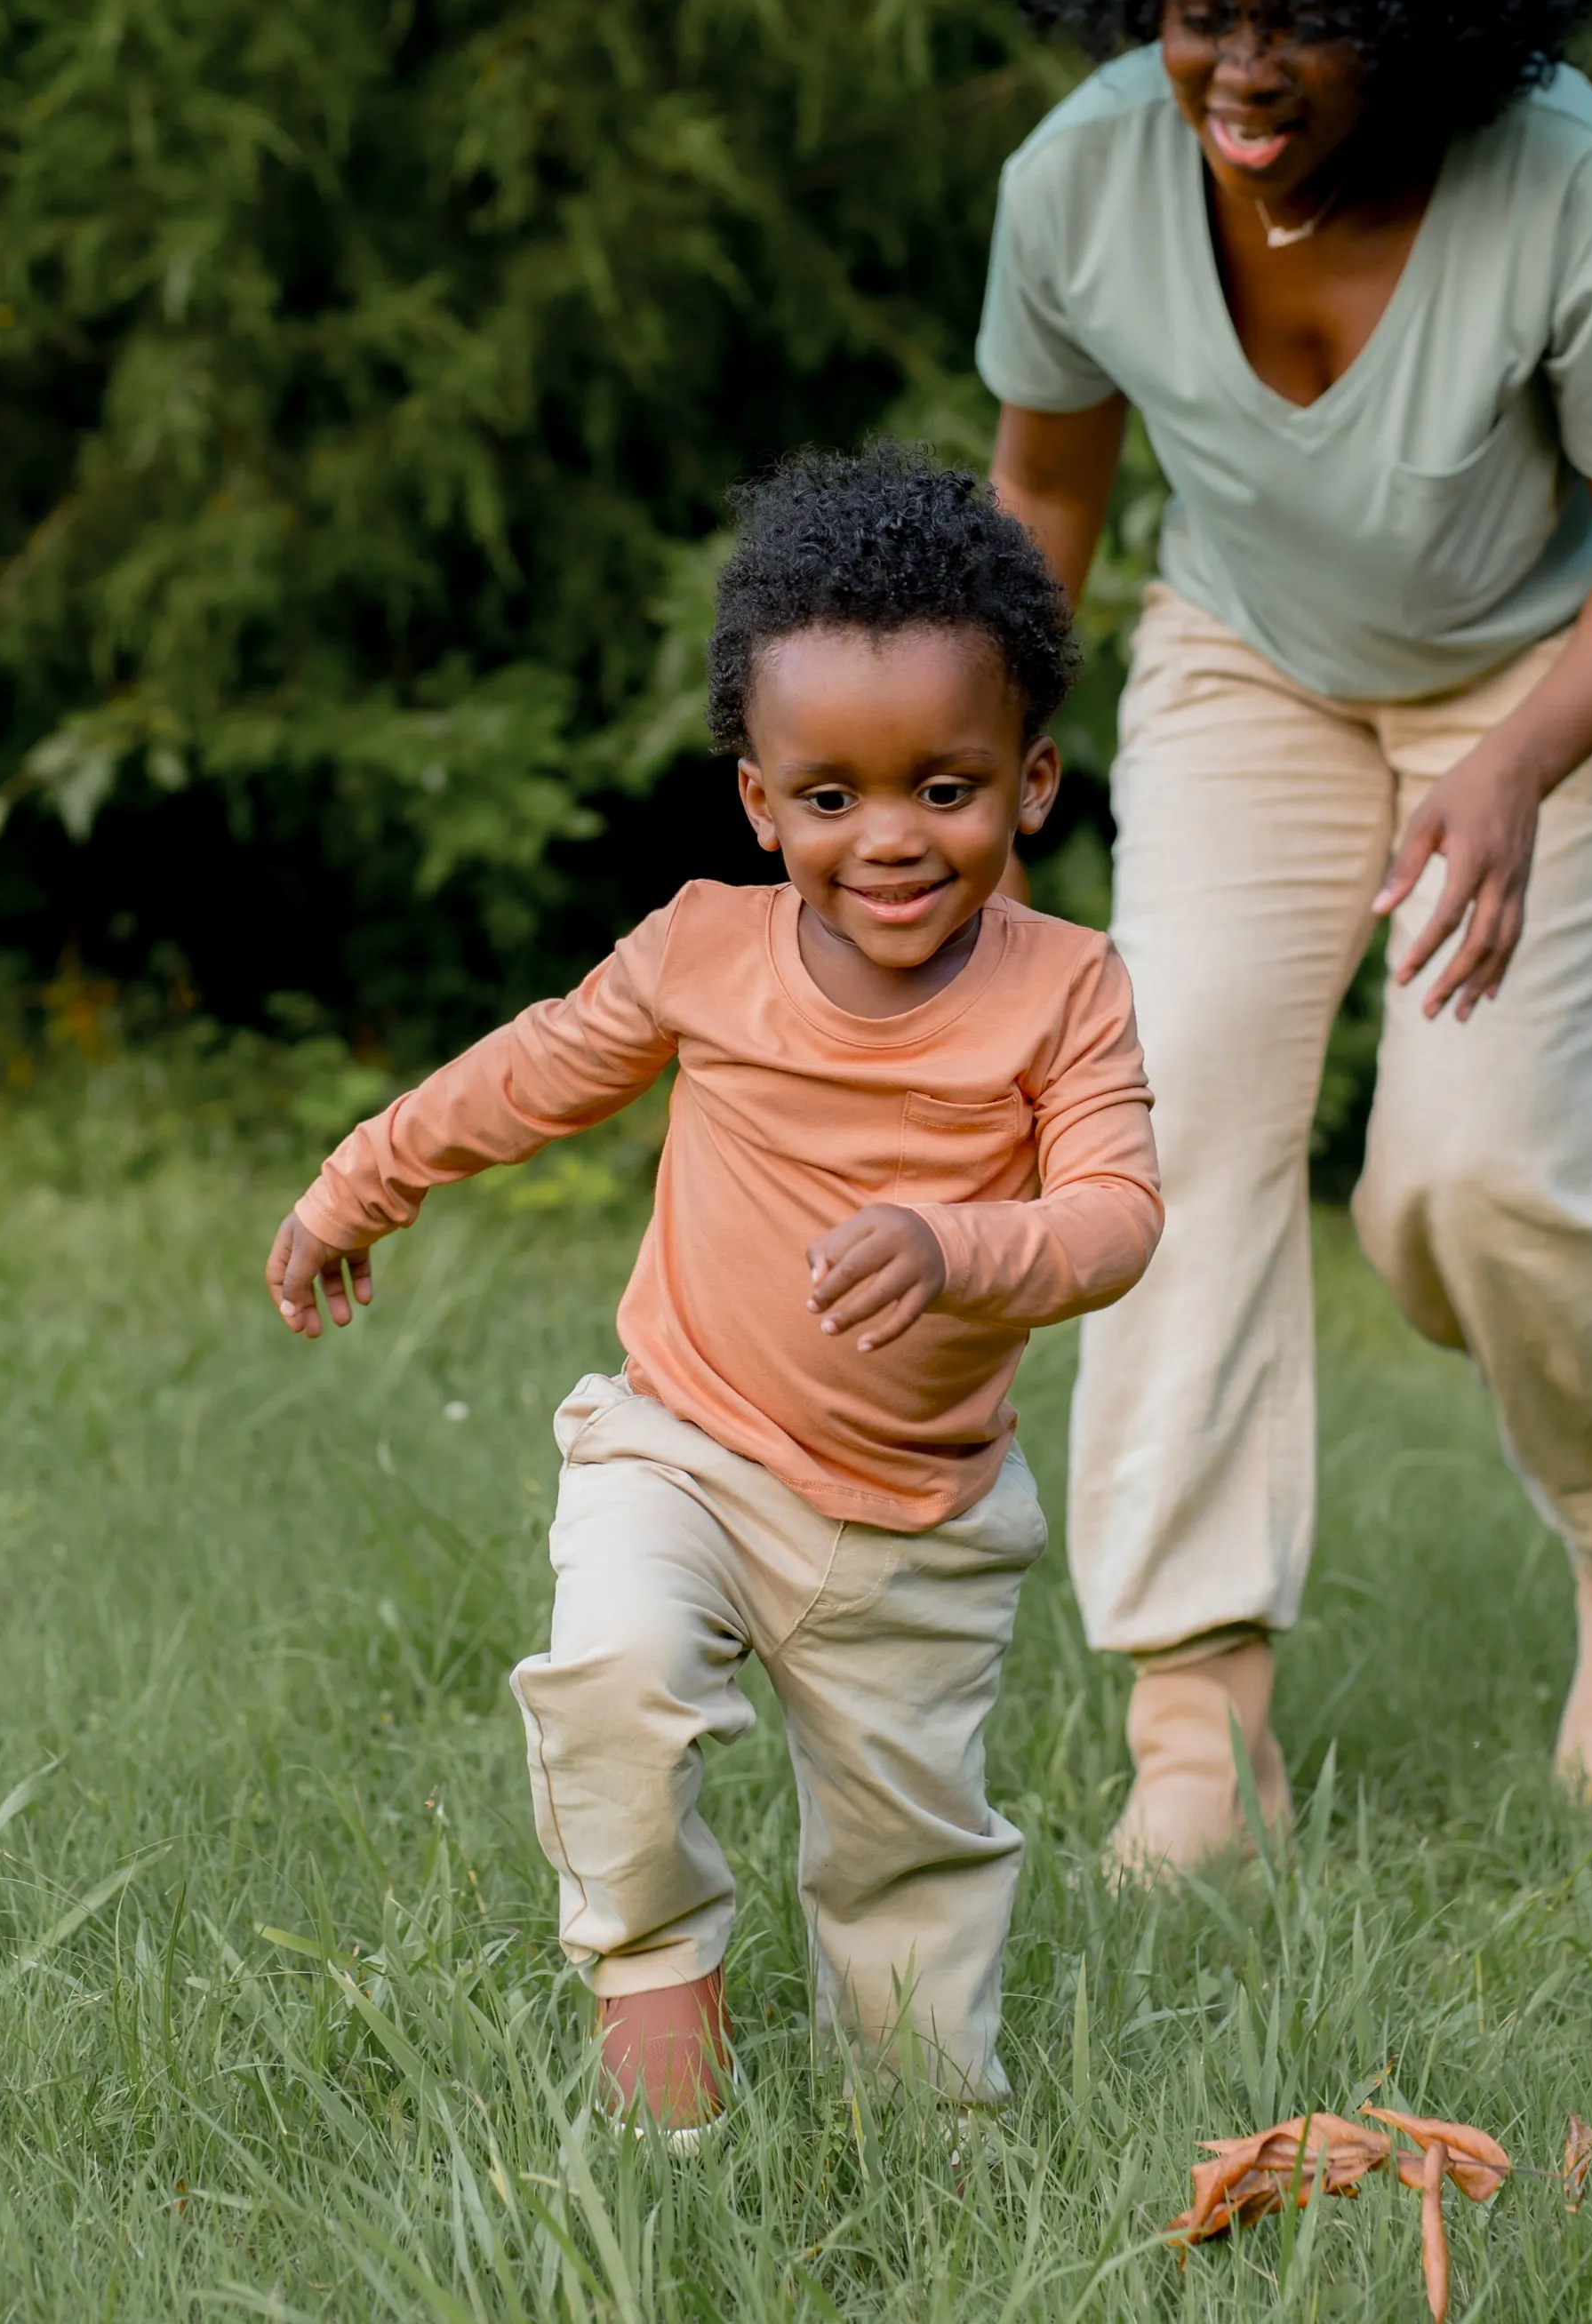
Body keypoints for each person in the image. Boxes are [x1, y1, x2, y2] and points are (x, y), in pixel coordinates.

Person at [978, 0, 1592, 1873]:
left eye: (1303, 24)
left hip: (1562, 688)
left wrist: (1507, 767)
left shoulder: (1575, 190)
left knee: (1470, 1187)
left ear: (1419, 22)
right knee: (1173, 1125)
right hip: (1255, 676)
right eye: (1203, 11)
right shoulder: (1085, 175)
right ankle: (1195, 1722)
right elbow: (1045, 485)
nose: (1237, 68)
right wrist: (994, 754)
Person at [268, 446, 1162, 2136]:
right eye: (832, 798)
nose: (889, 840)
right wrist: (354, 1182)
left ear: (1033, 783)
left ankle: (927, 2150)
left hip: (918, 1521)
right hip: (681, 1447)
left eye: (946, 789)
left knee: (906, 1862)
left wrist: (957, 1242)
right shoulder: (702, 951)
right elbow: (523, 1076)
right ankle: (657, 2014)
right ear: (763, 806)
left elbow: (1117, 1216)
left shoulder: (1069, 991)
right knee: (610, 1682)